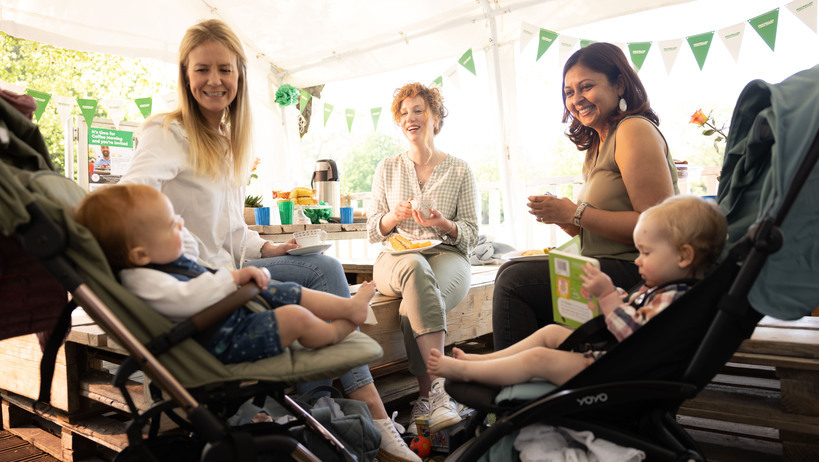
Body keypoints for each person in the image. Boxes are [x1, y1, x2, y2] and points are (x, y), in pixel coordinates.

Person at [119, 19, 419, 462]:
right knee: (324, 274)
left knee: (325, 266)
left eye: (225, 69)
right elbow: (132, 199)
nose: (214, 80)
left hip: (229, 269)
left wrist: (271, 249)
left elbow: (231, 230)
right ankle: (367, 413)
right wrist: (180, 264)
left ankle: (332, 403)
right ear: (185, 75)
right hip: (202, 284)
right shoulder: (167, 134)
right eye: (202, 69)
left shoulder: (223, 138)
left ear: (240, 74)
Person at [492, 42, 679, 351]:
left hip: (639, 272)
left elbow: (656, 227)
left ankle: (514, 392)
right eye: (568, 92)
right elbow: (599, 232)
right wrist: (564, 219)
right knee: (512, 269)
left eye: (586, 87)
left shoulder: (633, 130)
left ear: (619, 84)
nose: (576, 100)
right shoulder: (597, 145)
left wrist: (574, 213)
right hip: (605, 265)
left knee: (516, 281)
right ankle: (542, 375)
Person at [429, 195, 726, 386]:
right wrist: (622, 300)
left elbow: (638, 337)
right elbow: (642, 321)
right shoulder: (664, 290)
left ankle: (466, 373)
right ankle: (484, 360)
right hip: (617, 359)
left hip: (618, 375)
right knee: (551, 334)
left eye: (646, 253)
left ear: (684, 257)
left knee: (540, 359)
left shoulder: (677, 297)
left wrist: (610, 298)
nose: (638, 260)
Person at [75, 184, 376, 362]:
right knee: (294, 317)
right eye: (171, 225)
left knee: (281, 289)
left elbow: (192, 249)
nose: (180, 225)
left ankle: (349, 306)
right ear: (139, 253)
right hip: (220, 340)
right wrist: (232, 279)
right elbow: (186, 299)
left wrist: (175, 227)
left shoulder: (159, 259)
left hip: (228, 316)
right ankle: (332, 331)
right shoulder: (142, 280)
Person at [367, 82, 479, 434]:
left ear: (435, 117)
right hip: (396, 256)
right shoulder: (387, 168)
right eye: (404, 113)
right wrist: (394, 217)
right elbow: (373, 229)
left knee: (412, 305)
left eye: (418, 110)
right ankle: (439, 393)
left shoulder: (459, 169)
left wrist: (443, 223)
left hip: (446, 254)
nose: (410, 118)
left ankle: (423, 399)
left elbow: (472, 234)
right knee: (414, 269)